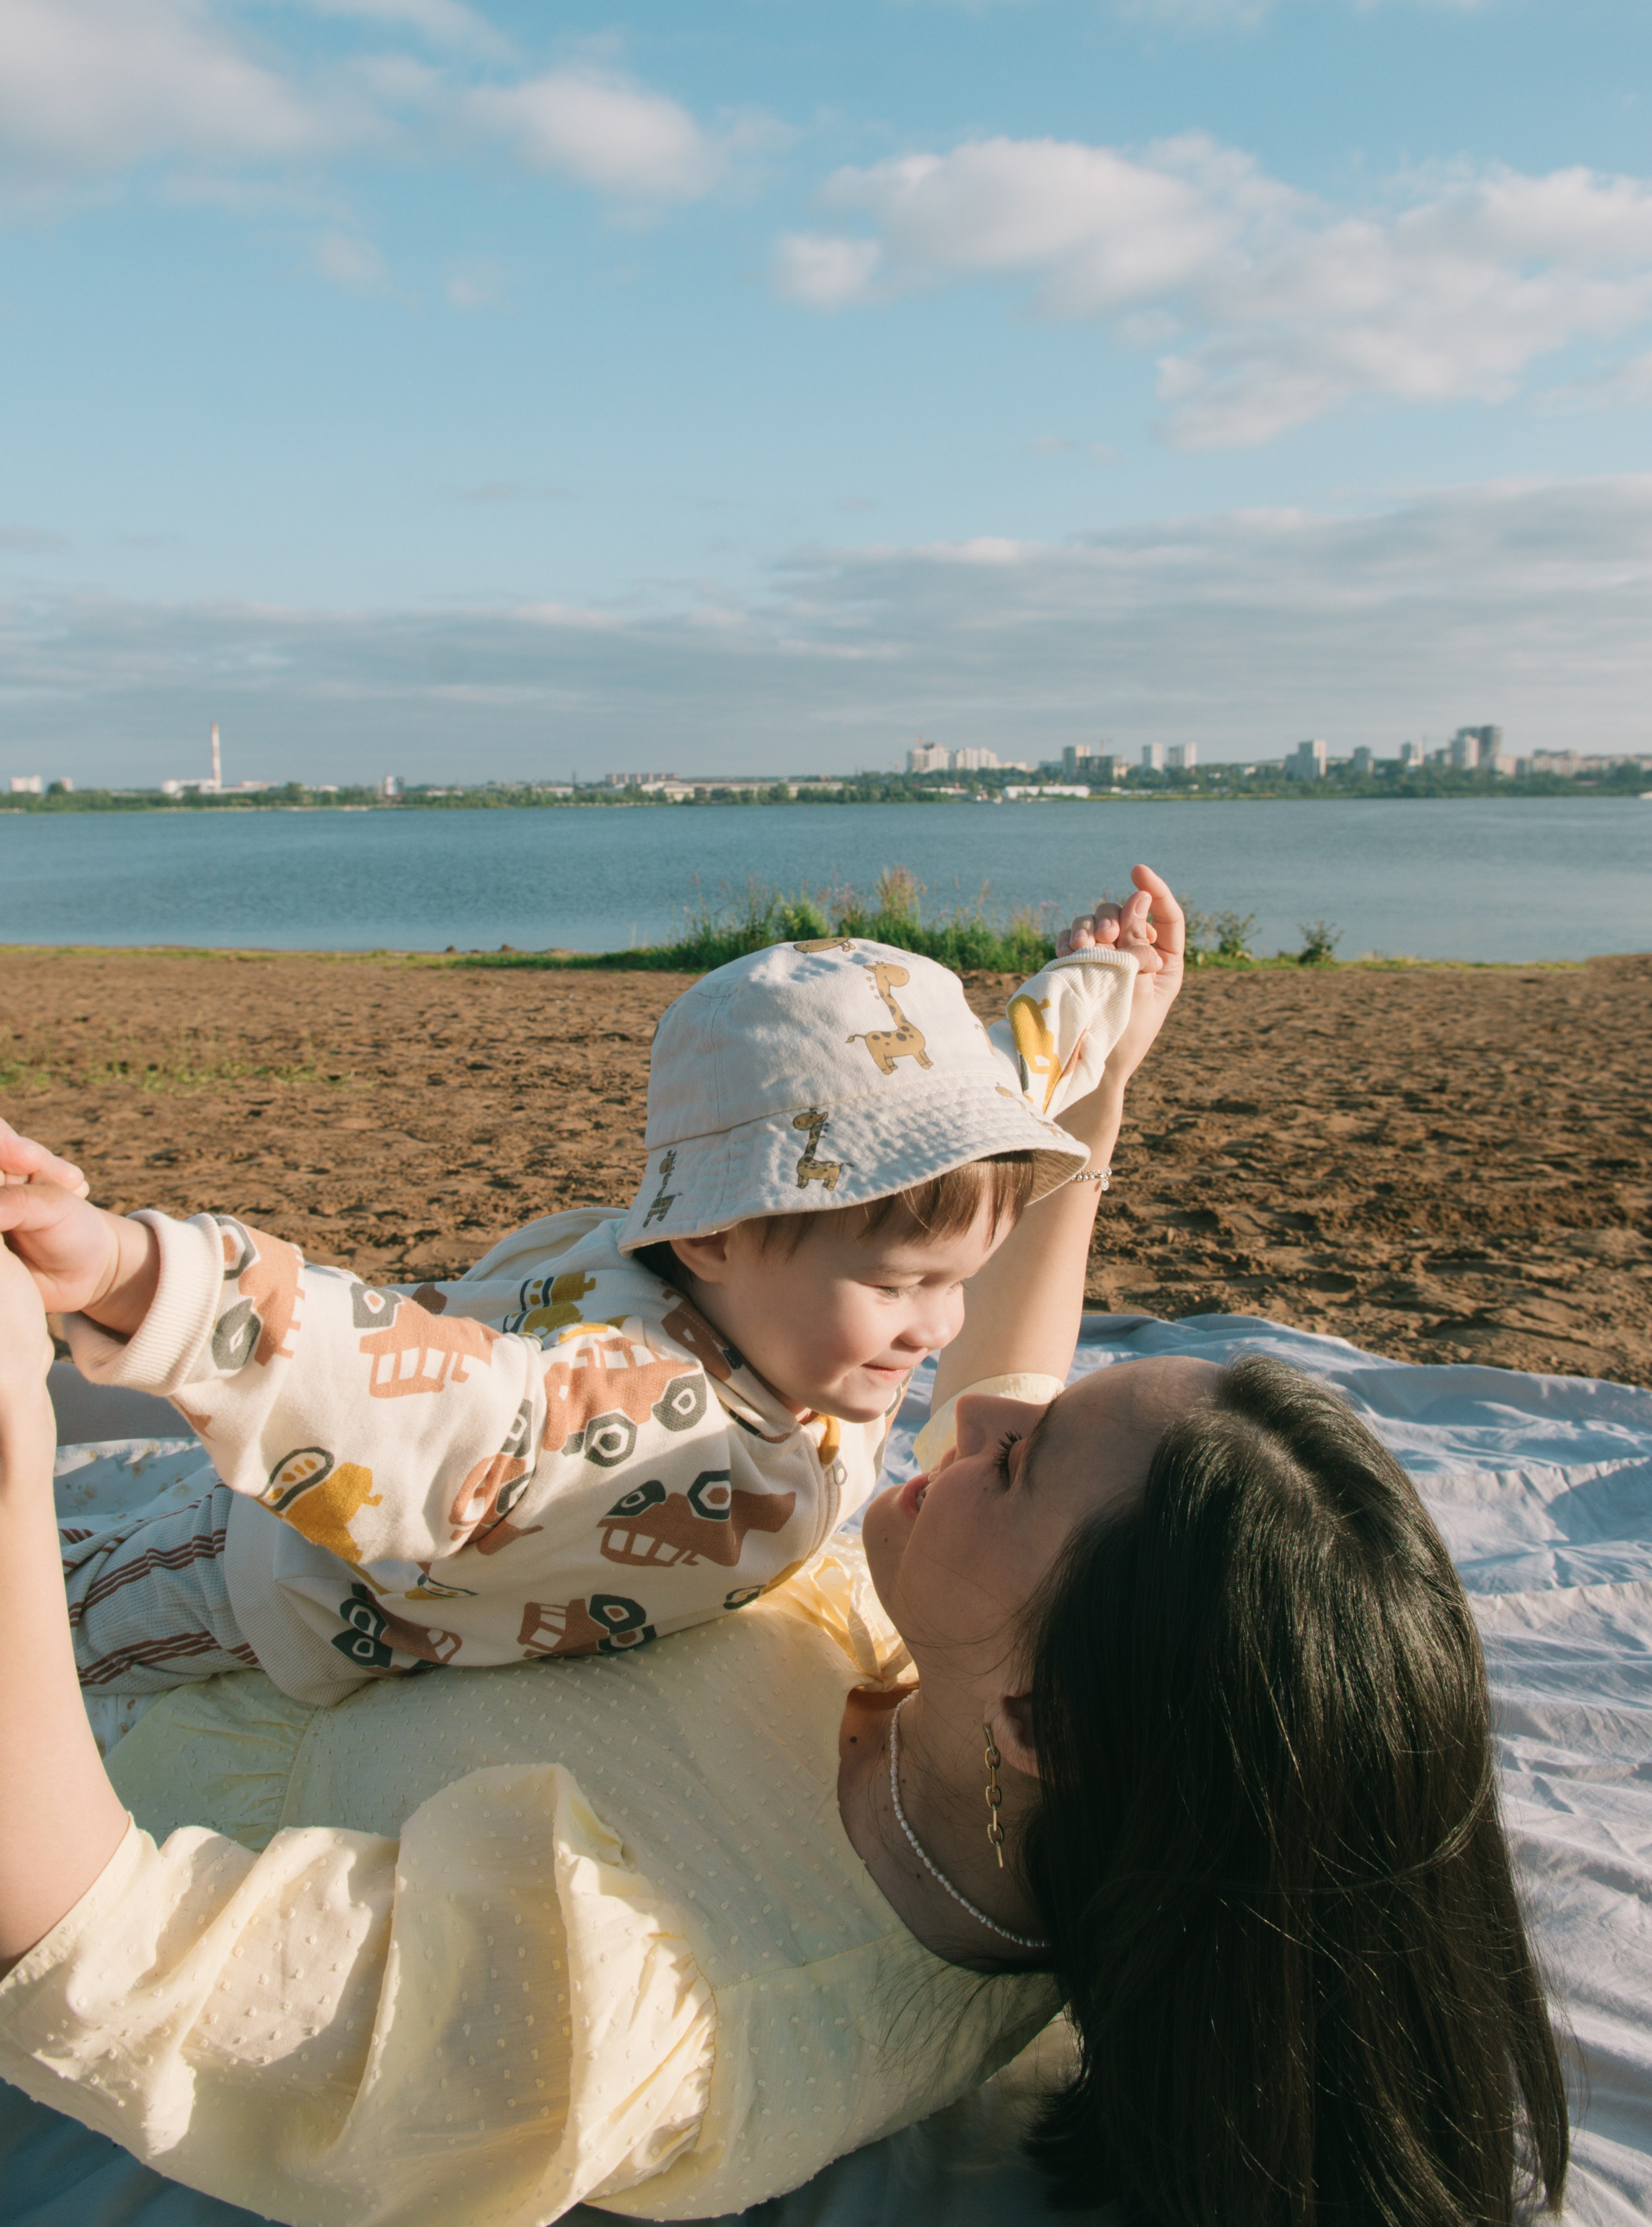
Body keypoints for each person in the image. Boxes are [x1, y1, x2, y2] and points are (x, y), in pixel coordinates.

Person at [0, 874, 1568, 2227]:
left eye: (1014, 1464)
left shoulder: (672, 1999)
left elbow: (102, 1963)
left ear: (1047, 1721)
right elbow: (1001, 1316)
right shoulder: (1000, 1708)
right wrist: (1088, 1091)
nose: (965, 1406)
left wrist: (31, 1400)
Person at [1, 898, 1156, 1708]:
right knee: (55, 1622)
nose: (942, 1328)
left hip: (396, 1497)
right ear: (714, 1233)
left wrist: (1108, 989)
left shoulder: (793, 1299)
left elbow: (1007, 1074)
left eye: (960, 1280)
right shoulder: (621, 1420)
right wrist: (121, 1270)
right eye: (903, 1287)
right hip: (279, 1575)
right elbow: (377, 1389)